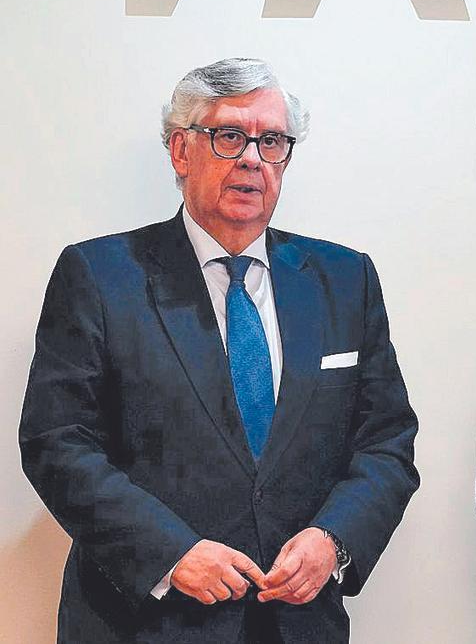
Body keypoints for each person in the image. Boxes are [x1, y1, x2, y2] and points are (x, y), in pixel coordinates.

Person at [19, 58, 419, 643]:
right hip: (143, 623)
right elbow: (57, 443)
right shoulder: (100, 275)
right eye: (230, 136)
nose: (253, 159)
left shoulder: (344, 279)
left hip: (297, 623)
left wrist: (333, 541)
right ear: (180, 151)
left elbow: (386, 442)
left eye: (272, 141)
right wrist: (170, 553)